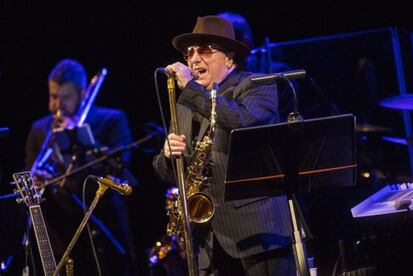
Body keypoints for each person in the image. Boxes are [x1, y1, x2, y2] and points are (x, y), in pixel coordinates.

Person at [152, 16, 295, 275]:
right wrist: (167, 154)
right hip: (207, 243)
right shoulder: (186, 103)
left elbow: (241, 120)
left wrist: (193, 89)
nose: (194, 59)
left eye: (204, 50)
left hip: (258, 234)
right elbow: (166, 173)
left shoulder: (257, 85)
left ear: (229, 58)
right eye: (189, 53)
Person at [25, 59, 138, 275]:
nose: (56, 106)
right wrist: (39, 181)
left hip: (101, 233)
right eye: (52, 97)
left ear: (82, 94)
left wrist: (75, 137)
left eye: (64, 98)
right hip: (57, 237)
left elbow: (121, 170)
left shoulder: (111, 121)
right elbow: (31, 176)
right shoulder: (39, 129)